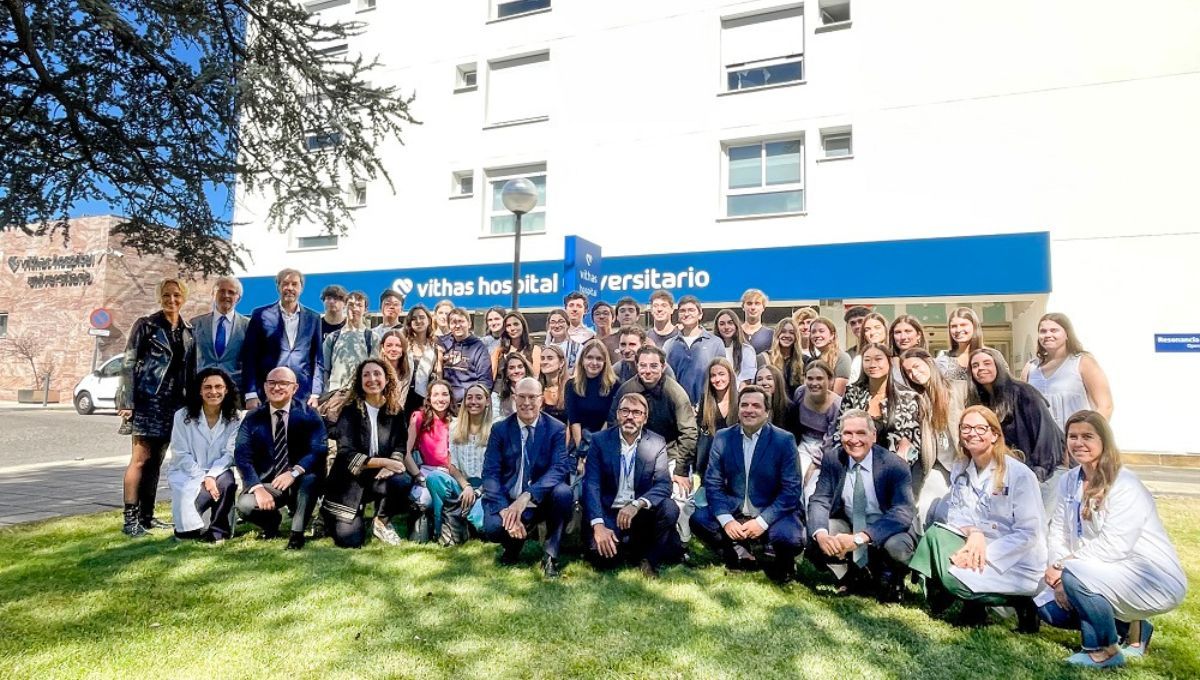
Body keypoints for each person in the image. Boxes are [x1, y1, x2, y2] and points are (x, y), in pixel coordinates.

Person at [1037, 411, 1187, 668]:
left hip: (1148, 576)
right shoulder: (1070, 480)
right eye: (1073, 436)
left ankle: (1104, 650)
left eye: (1087, 436)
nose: (1078, 443)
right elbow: (1059, 531)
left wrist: (1064, 568)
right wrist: (1058, 570)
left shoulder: (1125, 483)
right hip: (1097, 570)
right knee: (1048, 608)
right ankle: (1131, 629)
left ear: (1104, 440)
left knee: (1074, 576)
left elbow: (1115, 545)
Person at [909, 406, 1046, 631]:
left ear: (994, 435)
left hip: (1014, 558)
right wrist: (974, 534)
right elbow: (956, 514)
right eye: (966, 428)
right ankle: (971, 607)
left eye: (980, 428)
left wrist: (985, 553)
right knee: (936, 534)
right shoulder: (962, 469)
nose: (972, 433)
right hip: (975, 542)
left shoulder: (1019, 474)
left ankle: (1022, 602)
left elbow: (1029, 533)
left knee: (954, 580)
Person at [690, 386, 805, 584]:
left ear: (767, 412)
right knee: (699, 519)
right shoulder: (723, 437)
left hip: (770, 511)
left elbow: (791, 490)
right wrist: (726, 520)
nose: (749, 410)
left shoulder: (784, 440)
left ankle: (782, 562)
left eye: (756, 406)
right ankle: (739, 552)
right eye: (744, 405)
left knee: (790, 538)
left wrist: (762, 522)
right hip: (735, 509)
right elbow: (713, 483)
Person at [808, 409, 918, 602]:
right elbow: (820, 499)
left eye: (861, 433)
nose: (854, 439)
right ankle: (849, 574)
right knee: (813, 536)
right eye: (847, 433)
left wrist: (860, 538)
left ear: (873, 436)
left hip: (888, 530)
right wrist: (822, 534)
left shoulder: (894, 465)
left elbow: (903, 512)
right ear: (840, 436)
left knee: (897, 550)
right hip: (849, 524)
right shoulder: (833, 459)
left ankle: (892, 577)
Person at [118, 277, 196, 537]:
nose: (171, 300)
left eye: (176, 295)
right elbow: (128, 363)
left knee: (157, 463)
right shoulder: (146, 325)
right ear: (159, 297)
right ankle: (130, 520)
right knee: (140, 460)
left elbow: (189, 369)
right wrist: (127, 402)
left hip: (174, 405)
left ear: (183, 297)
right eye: (166, 295)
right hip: (148, 400)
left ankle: (147, 517)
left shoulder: (188, 330)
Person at [481, 377, 573, 578]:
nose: (527, 403)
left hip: (538, 500)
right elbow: (490, 473)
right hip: (508, 499)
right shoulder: (500, 430)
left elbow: (559, 468)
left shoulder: (556, 428)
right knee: (494, 528)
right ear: (514, 398)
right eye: (521, 397)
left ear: (541, 399)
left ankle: (551, 555)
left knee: (564, 493)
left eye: (532, 397)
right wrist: (505, 510)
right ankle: (512, 547)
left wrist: (527, 496)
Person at [584, 393, 681, 577]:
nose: (630, 417)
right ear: (618, 414)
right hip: (609, 512)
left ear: (645, 418)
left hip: (639, 514)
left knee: (670, 508)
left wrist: (637, 504)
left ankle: (649, 558)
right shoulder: (600, 441)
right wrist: (598, 526)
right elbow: (591, 485)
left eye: (637, 413)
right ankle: (633, 549)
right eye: (625, 411)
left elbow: (663, 484)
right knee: (603, 560)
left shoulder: (656, 443)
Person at [608, 345, 698, 540]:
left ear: (663, 366)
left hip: (671, 454)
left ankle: (680, 541)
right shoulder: (627, 389)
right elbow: (613, 423)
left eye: (653, 366)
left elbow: (689, 431)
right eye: (643, 366)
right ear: (637, 366)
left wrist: (681, 470)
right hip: (635, 452)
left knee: (680, 497)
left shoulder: (675, 392)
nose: (648, 371)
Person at [321, 359, 413, 548]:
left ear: (387, 379)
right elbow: (347, 453)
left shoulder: (395, 411)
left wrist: (392, 464)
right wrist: (385, 462)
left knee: (401, 481)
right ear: (360, 381)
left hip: (377, 477)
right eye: (366, 375)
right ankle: (328, 515)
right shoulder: (349, 411)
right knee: (351, 541)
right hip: (348, 481)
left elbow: (399, 446)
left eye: (377, 374)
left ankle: (381, 521)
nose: (372, 379)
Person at [234, 366, 327, 550]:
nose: (276, 388)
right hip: (268, 483)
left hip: (300, 479)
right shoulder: (253, 418)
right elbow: (242, 456)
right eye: (272, 383)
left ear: (295, 388)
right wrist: (257, 488)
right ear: (265, 386)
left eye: (283, 383)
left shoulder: (309, 414)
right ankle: (271, 522)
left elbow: (319, 449)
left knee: (310, 479)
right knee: (245, 505)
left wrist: (293, 473)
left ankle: (297, 534)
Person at [968, 347, 1066, 511]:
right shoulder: (979, 402)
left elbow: (1046, 436)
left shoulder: (1023, 393)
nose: (981, 369)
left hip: (1045, 471)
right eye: (975, 366)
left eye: (987, 363)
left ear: (998, 365)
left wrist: (1037, 474)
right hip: (1011, 475)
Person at [166, 368, 241, 542]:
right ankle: (188, 528)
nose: (213, 392)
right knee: (186, 534)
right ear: (199, 390)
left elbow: (229, 454)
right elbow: (180, 453)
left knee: (228, 483)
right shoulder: (182, 416)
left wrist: (211, 476)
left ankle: (218, 531)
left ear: (226, 389)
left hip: (219, 470)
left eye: (218, 387)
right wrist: (203, 477)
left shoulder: (235, 417)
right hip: (187, 472)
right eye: (207, 387)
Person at [900, 348, 967, 527]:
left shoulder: (960, 388)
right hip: (938, 465)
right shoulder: (920, 400)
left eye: (916, 366)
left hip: (965, 462)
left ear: (928, 361)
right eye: (908, 372)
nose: (914, 373)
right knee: (929, 510)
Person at [241, 268, 324, 410]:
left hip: (302, 393)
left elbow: (317, 359)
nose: (289, 288)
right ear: (278, 286)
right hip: (268, 392)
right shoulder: (260, 315)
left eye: (294, 284)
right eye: (285, 284)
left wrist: (315, 393)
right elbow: (249, 356)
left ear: (301, 288)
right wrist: (251, 393)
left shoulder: (313, 318)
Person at [839, 343, 922, 475]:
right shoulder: (852, 393)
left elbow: (914, 442)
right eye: (867, 360)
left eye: (878, 359)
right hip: (855, 465)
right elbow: (840, 431)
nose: (872, 364)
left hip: (894, 468)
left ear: (889, 362)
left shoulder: (907, 397)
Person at [1021, 313, 1114, 429]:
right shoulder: (1030, 368)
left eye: (1054, 330)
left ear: (1067, 334)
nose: (1048, 335)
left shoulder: (1083, 362)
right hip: (1040, 442)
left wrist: (1088, 434)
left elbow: (1105, 406)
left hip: (1074, 441)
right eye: (1043, 331)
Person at [442, 383, 495, 543]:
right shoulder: (454, 427)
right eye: (469, 397)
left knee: (480, 522)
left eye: (479, 398)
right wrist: (466, 487)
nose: (473, 401)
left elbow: (496, 471)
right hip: (462, 483)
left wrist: (477, 491)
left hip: (486, 487)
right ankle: (442, 525)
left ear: (487, 402)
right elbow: (452, 466)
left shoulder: (496, 428)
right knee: (435, 478)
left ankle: (462, 519)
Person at [405, 380, 456, 541]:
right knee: (425, 501)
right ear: (429, 398)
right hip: (426, 471)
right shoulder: (419, 417)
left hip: (450, 473)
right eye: (435, 395)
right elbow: (405, 452)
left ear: (450, 397)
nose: (440, 399)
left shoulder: (456, 421)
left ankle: (445, 526)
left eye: (444, 394)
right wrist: (418, 476)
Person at [784, 361, 842, 502]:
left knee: (811, 487)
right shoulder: (800, 393)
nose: (814, 383)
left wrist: (815, 464)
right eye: (810, 378)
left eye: (819, 378)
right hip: (803, 443)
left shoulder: (837, 404)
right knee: (794, 481)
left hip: (824, 448)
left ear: (830, 380)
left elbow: (830, 441)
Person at [662, 295, 725, 405]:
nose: (686, 314)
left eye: (691, 310)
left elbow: (722, 375)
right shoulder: (669, 345)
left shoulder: (715, 343)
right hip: (677, 406)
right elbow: (665, 378)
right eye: (682, 311)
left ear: (700, 315)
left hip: (707, 406)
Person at [190, 275, 248, 391]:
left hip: (235, 389)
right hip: (204, 389)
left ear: (238, 298)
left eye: (231, 292)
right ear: (213, 294)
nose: (226, 295)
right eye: (221, 291)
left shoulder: (248, 326)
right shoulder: (195, 324)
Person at [566, 340, 618, 453]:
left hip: (605, 440)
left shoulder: (614, 385)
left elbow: (610, 419)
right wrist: (582, 450)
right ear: (582, 360)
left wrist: (596, 448)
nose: (594, 362)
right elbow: (574, 420)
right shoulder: (571, 385)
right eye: (589, 357)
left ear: (605, 362)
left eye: (599, 359)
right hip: (579, 441)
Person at [935, 307, 1009, 381]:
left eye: (963, 325)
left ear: (974, 326)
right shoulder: (944, 358)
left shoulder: (992, 355)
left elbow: (1006, 383)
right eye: (954, 326)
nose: (958, 330)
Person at [321, 290, 374, 394]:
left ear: (365, 310)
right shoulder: (332, 338)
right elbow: (324, 369)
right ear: (345, 307)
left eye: (359, 305)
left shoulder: (372, 338)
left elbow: (374, 370)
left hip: (361, 394)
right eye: (351, 305)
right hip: (335, 394)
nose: (354, 309)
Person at [696, 358, 739, 477]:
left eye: (721, 374)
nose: (717, 379)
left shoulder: (741, 401)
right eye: (713, 375)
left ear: (730, 375)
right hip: (710, 467)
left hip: (736, 466)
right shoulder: (705, 401)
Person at [442, 307, 493, 403]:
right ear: (449, 326)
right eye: (453, 322)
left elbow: (485, 380)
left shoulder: (478, 347)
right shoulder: (444, 344)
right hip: (446, 402)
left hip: (468, 402)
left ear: (469, 324)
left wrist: (476, 400)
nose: (457, 326)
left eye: (461, 321)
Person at [404, 304, 443, 415]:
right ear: (409, 323)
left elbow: (438, 376)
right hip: (402, 398)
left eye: (422, 317)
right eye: (414, 318)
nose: (418, 321)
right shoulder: (403, 345)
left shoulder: (435, 348)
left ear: (429, 320)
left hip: (424, 399)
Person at [757, 318, 804, 397]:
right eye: (783, 332)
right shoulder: (763, 358)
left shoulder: (804, 360)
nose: (787, 335)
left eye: (792, 333)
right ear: (777, 334)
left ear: (796, 336)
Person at [809, 316, 852, 395]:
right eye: (813, 332)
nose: (817, 335)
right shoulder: (812, 361)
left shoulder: (842, 358)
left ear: (832, 335)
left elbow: (838, 395)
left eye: (821, 331)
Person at [492, 311, 541, 380]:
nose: (512, 328)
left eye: (516, 324)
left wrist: (523, 359)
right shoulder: (499, 352)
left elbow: (536, 376)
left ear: (523, 326)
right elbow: (492, 376)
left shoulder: (534, 349)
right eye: (508, 325)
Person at [713, 308, 757, 385]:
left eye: (730, 323)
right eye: (722, 324)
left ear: (736, 325)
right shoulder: (712, 349)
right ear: (717, 327)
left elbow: (747, 379)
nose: (726, 327)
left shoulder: (746, 350)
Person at [375, 329, 413, 413]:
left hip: (396, 414)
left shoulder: (407, 368)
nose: (393, 349)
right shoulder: (375, 369)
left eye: (398, 346)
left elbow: (401, 401)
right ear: (382, 347)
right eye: (389, 345)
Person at [848, 312, 889, 383]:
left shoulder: (895, 356)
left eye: (877, 328)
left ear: (885, 329)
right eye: (867, 330)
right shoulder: (859, 360)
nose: (872, 333)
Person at [493, 352, 532, 422]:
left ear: (526, 369)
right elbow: (495, 419)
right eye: (511, 368)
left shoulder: (534, 391)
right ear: (506, 372)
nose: (516, 371)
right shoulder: (498, 393)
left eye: (520, 367)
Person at [888, 314, 927, 385]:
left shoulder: (928, 362)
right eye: (898, 332)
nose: (903, 337)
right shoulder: (888, 364)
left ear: (918, 335)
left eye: (908, 331)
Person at [538, 344, 569, 423]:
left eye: (550, 358)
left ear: (561, 363)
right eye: (542, 358)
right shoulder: (536, 389)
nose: (545, 362)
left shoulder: (569, 388)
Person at [740, 288, 774, 354]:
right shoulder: (735, 333)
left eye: (757, 303)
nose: (753, 307)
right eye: (749, 303)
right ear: (743, 307)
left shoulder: (771, 335)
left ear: (763, 307)